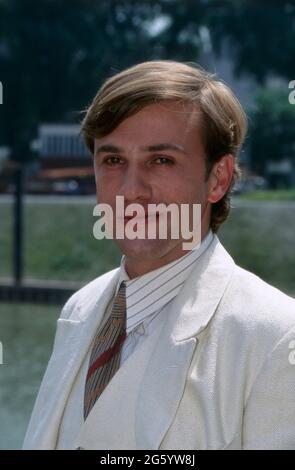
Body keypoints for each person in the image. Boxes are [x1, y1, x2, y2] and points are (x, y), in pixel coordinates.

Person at [23, 60, 295, 450]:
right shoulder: (79, 310)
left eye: (161, 160)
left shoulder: (276, 337)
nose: (132, 190)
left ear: (217, 178)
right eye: (114, 160)